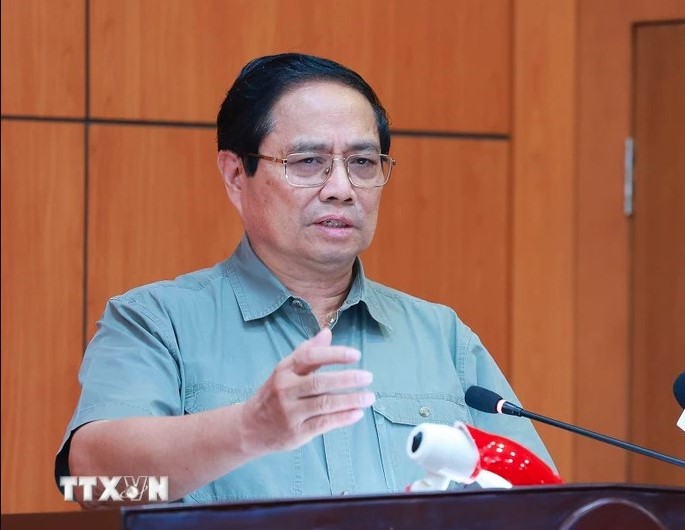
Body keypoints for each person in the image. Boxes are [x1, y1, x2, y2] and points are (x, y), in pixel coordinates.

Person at [56, 53, 556, 504]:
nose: (341, 188)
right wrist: (249, 428)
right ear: (236, 174)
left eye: (362, 163)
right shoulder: (157, 322)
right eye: (308, 161)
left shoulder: (441, 337)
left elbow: (541, 502)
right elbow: (92, 486)